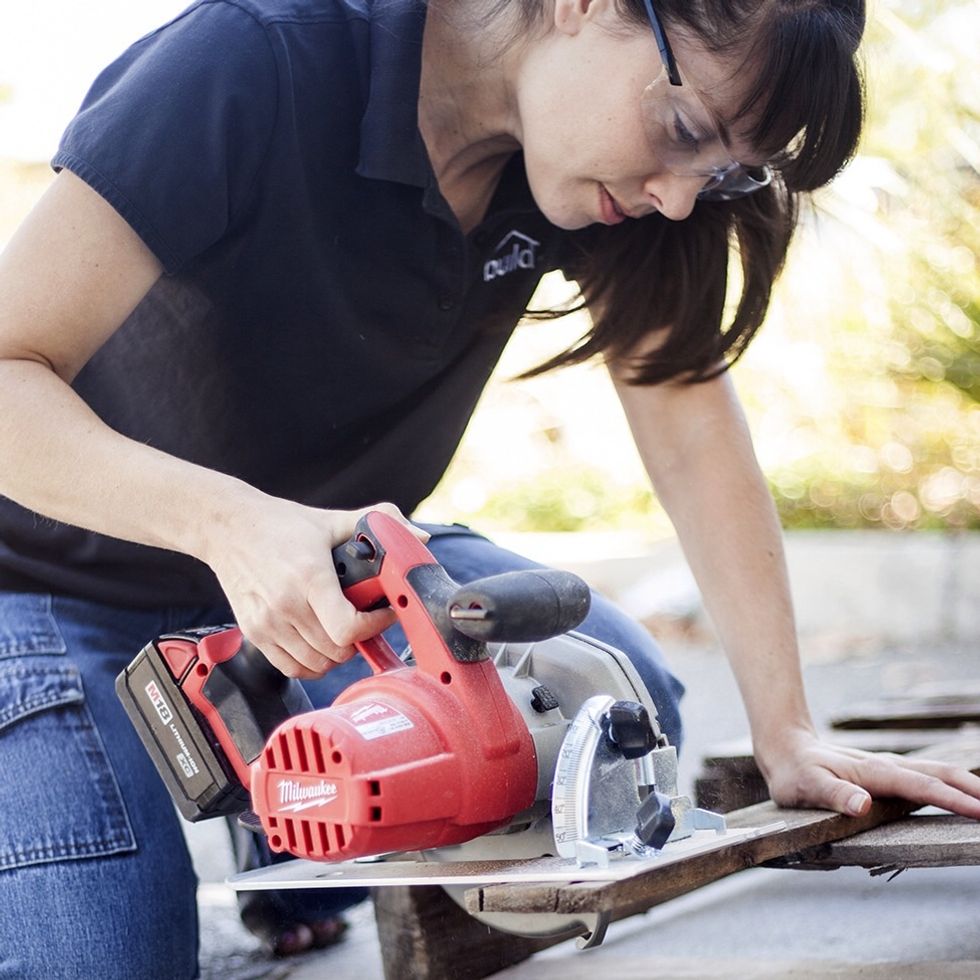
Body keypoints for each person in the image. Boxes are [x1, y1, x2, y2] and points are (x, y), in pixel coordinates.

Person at [0, 0, 977, 976]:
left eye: (722, 170)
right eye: (683, 129)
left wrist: (786, 730)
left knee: (608, 723)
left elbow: (688, 421)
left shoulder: (600, 173)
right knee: (103, 961)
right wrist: (232, 528)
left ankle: (285, 823)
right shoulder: (254, 58)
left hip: (330, 592)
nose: (681, 200)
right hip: (44, 578)